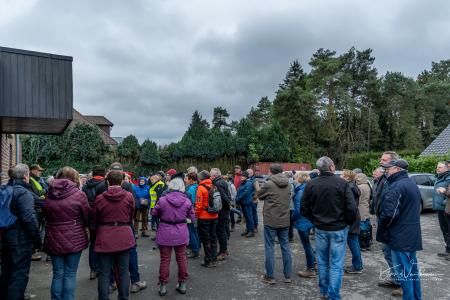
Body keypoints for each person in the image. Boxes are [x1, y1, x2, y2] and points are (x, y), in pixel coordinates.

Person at [301, 157, 357, 300]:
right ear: (332, 167)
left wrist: (315, 221)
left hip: (322, 228)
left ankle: (325, 292)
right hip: (337, 228)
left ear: (319, 169)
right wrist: (347, 222)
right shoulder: (342, 184)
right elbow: (351, 208)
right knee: (336, 264)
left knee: (323, 261)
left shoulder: (311, 184)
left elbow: (304, 208)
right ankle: (332, 295)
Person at [376, 159, 422, 299]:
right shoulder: (411, 183)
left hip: (400, 235)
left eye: (388, 169)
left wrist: (383, 230)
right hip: (411, 233)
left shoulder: (396, 186)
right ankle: (416, 297)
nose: (386, 171)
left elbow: (389, 215)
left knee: (404, 272)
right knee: (412, 271)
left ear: (397, 169)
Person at [43, 167, 90, 300]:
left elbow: (45, 214)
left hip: (53, 236)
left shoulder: (48, 193)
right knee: (70, 273)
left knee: (58, 273)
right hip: (75, 237)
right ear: (74, 178)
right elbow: (87, 217)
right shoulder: (79, 195)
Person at [91, 171, 136, 300]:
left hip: (105, 236)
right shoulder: (128, 196)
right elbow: (131, 215)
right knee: (123, 272)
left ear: (107, 182)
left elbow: (95, 218)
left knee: (104, 273)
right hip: (124, 236)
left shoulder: (100, 198)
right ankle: (123, 298)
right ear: (121, 181)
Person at [0, 164, 41, 300]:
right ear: (25, 176)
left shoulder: (4, 189)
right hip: (20, 239)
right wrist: (37, 239)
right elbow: (29, 218)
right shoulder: (23, 193)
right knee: (19, 274)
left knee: (6, 271)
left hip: (5, 236)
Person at [152, 177, 195, 296]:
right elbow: (192, 217)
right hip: (181, 231)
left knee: (165, 259)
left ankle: (163, 286)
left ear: (170, 186)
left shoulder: (162, 200)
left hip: (165, 231)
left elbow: (154, 213)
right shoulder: (186, 201)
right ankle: (182, 284)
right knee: (181, 258)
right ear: (182, 187)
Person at [257, 163, 292, 284]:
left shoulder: (269, 184)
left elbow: (259, 196)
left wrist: (257, 187)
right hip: (284, 220)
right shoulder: (288, 184)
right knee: (285, 247)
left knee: (270, 247)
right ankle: (288, 275)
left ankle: (270, 276)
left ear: (271, 172)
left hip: (271, 220)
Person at [374, 152, 402, 292]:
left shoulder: (395, 179)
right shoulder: (384, 176)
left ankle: (402, 283)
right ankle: (395, 277)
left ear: (393, 163)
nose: (381, 161)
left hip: (391, 220)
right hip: (382, 218)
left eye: (384, 159)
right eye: (381, 158)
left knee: (396, 253)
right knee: (386, 251)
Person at [82, 165, 107, 280]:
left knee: (93, 244)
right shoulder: (106, 184)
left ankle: (93, 270)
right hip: (103, 218)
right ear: (103, 173)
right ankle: (103, 268)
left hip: (90, 218)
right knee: (104, 244)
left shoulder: (86, 185)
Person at [292, 172, 316, 278]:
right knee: (309, 245)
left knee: (307, 246)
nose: (294, 179)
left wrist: (292, 218)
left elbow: (298, 209)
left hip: (303, 221)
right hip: (309, 220)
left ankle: (310, 268)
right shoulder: (310, 188)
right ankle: (314, 263)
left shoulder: (301, 191)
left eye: (296, 178)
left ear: (299, 179)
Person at [340, 170, 363, 275]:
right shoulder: (352, 185)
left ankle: (357, 266)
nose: (340, 176)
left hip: (352, 217)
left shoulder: (349, 187)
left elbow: (350, 205)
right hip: (354, 216)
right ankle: (357, 265)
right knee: (354, 241)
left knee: (353, 242)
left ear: (347, 178)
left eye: (342, 175)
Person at [196, 170, 219, 268]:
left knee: (206, 239)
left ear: (201, 178)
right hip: (214, 216)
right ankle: (214, 258)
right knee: (213, 237)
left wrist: (195, 215)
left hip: (204, 217)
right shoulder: (214, 185)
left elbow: (198, 205)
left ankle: (208, 260)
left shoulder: (201, 188)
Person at [210, 168, 232, 261]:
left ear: (215, 176)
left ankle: (223, 251)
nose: (210, 177)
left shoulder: (218, 184)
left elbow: (224, 198)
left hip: (221, 211)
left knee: (220, 231)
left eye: (211, 175)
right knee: (221, 231)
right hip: (224, 210)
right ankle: (223, 250)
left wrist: (226, 209)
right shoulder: (222, 181)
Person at [29, 164, 47, 261]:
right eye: (38, 170)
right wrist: (45, 190)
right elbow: (38, 193)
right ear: (32, 170)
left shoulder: (37, 180)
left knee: (39, 228)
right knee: (35, 230)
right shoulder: (30, 180)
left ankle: (37, 247)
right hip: (37, 207)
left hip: (40, 207)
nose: (40, 172)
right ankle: (32, 252)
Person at [433, 162, 450, 258]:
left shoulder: (448, 178)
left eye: (440, 167)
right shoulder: (439, 177)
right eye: (437, 167)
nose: (437, 168)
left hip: (446, 208)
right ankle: (447, 250)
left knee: (448, 230)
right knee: (444, 230)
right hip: (439, 208)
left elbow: (448, 192)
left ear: (446, 168)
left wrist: (444, 202)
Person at [185, 172, 200, 259]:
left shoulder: (191, 189)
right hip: (195, 213)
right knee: (194, 231)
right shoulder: (197, 186)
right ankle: (197, 248)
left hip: (191, 213)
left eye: (186, 179)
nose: (185, 180)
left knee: (191, 231)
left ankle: (195, 251)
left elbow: (190, 203)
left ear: (190, 179)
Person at [355, 173, 372, 251]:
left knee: (362, 227)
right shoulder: (367, 185)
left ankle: (362, 245)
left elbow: (358, 199)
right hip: (366, 207)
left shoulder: (360, 187)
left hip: (361, 208)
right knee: (366, 226)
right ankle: (367, 244)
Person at [236, 171, 256, 237]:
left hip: (247, 202)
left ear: (246, 177)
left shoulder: (248, 183)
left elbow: (246, 193)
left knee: (249, 216)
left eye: (243, 176)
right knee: (246, 216)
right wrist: (237, 197)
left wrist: (239, 198)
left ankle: (251, 231)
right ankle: (247, 229)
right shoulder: (242, 183)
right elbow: (239, 191)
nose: (241, 177)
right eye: (241, 176)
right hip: (243, 202)